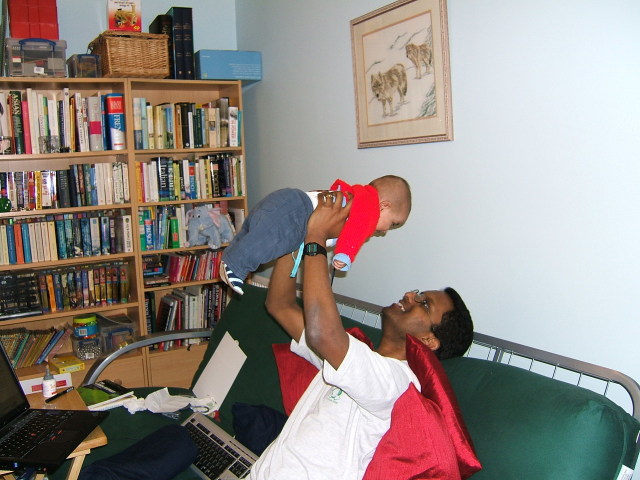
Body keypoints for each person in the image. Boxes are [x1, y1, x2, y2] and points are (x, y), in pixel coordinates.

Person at [249, 190, 474, 479]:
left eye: (424, 303)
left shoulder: (398, 385)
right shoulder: (353, 353)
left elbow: (323, 334)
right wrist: (298, 238)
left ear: (429, 340)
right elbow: (280, 305)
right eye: (418, 293)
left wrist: (316, 237)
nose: (410, 295)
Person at [220, 175, 412, 295]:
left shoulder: (358, 195)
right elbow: (356, 231)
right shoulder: (368, 208)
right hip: (298, 212)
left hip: (288, 201)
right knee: (269, 242)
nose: (385, 231)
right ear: (384, 206)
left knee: (251, 234)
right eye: (392, 223)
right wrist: (345, 254)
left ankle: (229, 260)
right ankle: (236, 267)